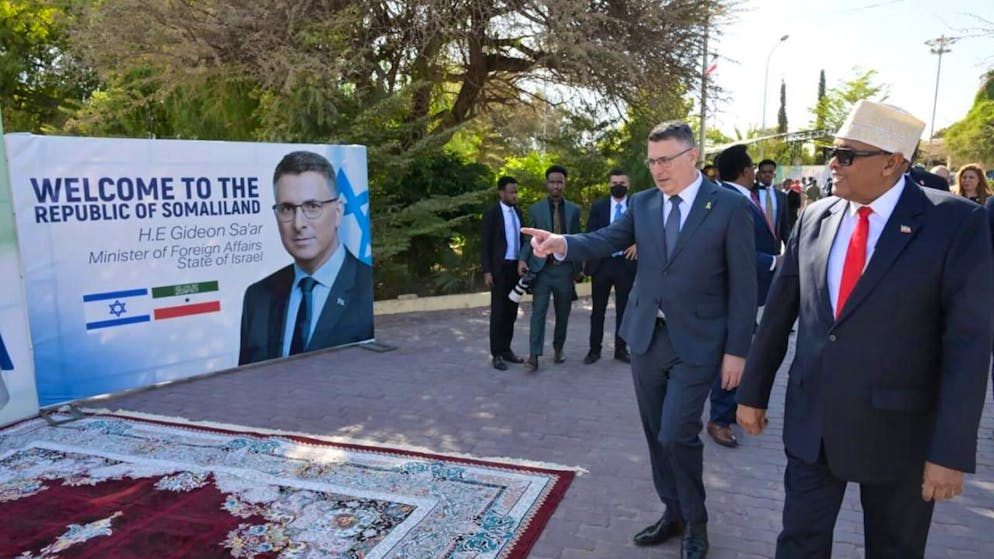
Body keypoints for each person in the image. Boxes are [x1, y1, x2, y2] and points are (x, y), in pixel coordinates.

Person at [736, 100, 994, 558]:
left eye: (847, 155)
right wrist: (752, 394)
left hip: (900, 436)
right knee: (797, 543)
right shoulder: (816, 216)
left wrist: (950, 452)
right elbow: (780, 312)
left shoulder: (955, 223)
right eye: (832, 151)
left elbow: (968, 346)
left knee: (894, 549)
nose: (833, 164)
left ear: (894, 162)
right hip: (812, 423)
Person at [522, 121, 756, 558]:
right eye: (651, 161)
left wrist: (737, 352)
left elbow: (745, 286)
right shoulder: (645, 204)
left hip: (699, 341)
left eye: (665, 160)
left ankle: (696, 522)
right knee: (654, 434)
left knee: (676, 433)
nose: (657, 170)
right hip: (648, 336)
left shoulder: (727, 207)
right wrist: (561, 243)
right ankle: (673, 513)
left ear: (691, 157)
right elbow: (607, 238)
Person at [239, 151, 374, 366]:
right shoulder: (257, 298)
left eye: (312, 207)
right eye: (287, 209)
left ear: (338, 211)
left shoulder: (368, 288)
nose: (298, 223)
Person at [705, 144, 780, 449]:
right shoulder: (728, 201)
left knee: (744, 353)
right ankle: (719, 419)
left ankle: (733, 408)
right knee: (732, 354)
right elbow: (736, 251)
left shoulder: (737, 197)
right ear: (747, 171)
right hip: (732, 294)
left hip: (746, 292)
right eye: (752, 168)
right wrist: (775, 261)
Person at [519, 165, 582, 372]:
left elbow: (577, 240)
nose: (556, 185)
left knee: (563, 313)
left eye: (559, 181)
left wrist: (578, 269)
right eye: (552, 181)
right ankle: (533, 356)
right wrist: (522, 259)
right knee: (538, 312)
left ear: (564, 184)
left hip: (564, 270)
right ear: (547, 184)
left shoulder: (574, 210)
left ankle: (558, 348)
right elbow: (530, 239)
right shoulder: (536, 209)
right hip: (542, 270)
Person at [583, 168, 637, 365]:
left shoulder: (636, 206)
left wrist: (638, 244)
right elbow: (591, 233)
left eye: (622, 183)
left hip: (626, 265)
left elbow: (647, 230)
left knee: (624, 310)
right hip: (602, 264)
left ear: (628, 184)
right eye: (614, 183)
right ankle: (594, 350)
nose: (618, 186)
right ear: (609, 185)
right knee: (598, 310)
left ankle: (621, 350)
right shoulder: (599, 207)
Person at [480, 176, 526, 371]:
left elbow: (523, 240)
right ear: (501, 193)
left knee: (511, 311)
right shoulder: (492, 213)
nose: (514, 195)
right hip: (499, 270)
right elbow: (484, 244)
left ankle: (507, 349)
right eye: (511, 192)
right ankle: (496, 353)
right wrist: (487, 270)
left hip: (515, 269)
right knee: (498, 312)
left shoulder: (518, 213)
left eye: (516, 192)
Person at [754, 159, 790, 244]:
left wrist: (789, 250)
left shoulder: (782, 196)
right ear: (758, 174)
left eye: (770, 172)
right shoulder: (751, 193)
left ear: (774, 174)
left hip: (775, 246)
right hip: (755, 246)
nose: (767, 174)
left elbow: (784, 226)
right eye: (764, 172)